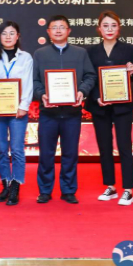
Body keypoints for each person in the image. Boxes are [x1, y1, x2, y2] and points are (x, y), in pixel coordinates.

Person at [33, 15, 97, 204]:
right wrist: (42, 95)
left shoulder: (80, 53)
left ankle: (68, 190)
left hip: (72, 113)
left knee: (70, 153)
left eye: (62, 27)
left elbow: (90, 76)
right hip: (48, 113)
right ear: (48, 32)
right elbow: (34, 80)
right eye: (54, 27)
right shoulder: (40, 54)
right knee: (46, 154)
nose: (58, 30)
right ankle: (45, 190)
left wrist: (82, 91)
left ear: (69, 31)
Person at [85, 11, 133, 206]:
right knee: (104, 147)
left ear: (119, 28)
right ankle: (110, 186)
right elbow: (89, 77)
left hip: (122, 105)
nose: (109, 29)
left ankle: (128, 189)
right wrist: (96, 97)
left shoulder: (128, 49)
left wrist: (132, 71)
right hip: (99, 105)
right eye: (105, 26)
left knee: (124, 146)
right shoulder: (91, 51)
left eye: (113, 26)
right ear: (99, 29)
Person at [0, 21, 33, 206]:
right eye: (4, 33)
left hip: (18, 111)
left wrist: (24, 105)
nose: (8, 37)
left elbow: (27, 83)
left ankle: (16, 187)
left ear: (18, 36)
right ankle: (5, 184)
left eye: (12, 33)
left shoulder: (26, 57)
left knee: (17, 149)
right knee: (1, 149)